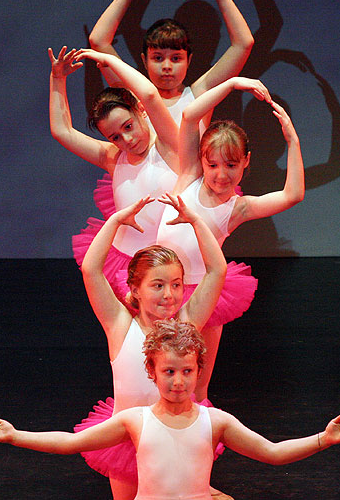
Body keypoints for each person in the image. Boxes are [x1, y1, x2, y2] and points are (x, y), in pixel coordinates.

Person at [0, 320, 340, 500]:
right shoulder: (135, 420)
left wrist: (323, 438)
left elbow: (271, 453)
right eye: (169, 372)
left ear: (198, 371)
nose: (178, 381)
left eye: (187, 371)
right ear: (152, 372)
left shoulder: (216, 421)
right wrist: (15, 436)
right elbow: (69, 442)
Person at [154, 76, 305, 402]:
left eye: (231, 165)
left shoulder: (238, 207)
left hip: (203, 294)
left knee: (197, 383)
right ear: (202, 161)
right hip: (161, 288)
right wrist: (234, 82)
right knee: (156, 374)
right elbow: (190, 116)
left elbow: (293, 194)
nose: (221, 174)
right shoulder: (190, 174)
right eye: (214, 164)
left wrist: (292, 140)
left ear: (246, 162)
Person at [72, 195, 226, 499]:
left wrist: (196, 221)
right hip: (129, 438)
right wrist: (115, 221)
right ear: (135, 289)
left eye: (177, 284)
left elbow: (216, 271)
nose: (169, 294)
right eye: (158, 285)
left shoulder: (188, 322)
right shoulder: (119, 325)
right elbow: (91, 269)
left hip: (178, 433)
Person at [48, 47, 179, 293]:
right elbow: (62, 131)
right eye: (115, 136)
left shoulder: (170, 146)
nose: (127, 140)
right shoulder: (113, 157)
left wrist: (109, 60)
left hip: (173, 264)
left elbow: (150, 95)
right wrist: (58, 79)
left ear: (140, 110)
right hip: (127, 264)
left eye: (128, 126)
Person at [88, 0, 256, 130]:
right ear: (144, 60)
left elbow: (243, 44)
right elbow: (98, 41)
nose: (167, 66)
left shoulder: (200, 95)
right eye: (158, 58)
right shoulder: (133, 96)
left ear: (188, 60)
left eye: (176, 58)